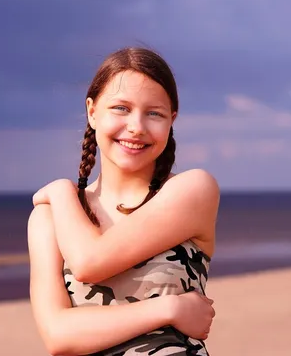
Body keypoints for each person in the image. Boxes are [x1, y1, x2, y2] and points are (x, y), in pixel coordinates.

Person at [27, 47, 220, 355]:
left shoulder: (193, 190)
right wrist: (168, 309)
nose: (136, 127)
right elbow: (59, 336)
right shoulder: (49, 217)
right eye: (120, 108)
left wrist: (61, 192)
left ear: (172, 120)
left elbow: (90, 262)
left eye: (154, 113)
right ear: (92, 111)